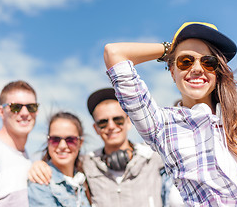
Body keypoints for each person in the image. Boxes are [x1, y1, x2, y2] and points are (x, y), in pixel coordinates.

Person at [103, 21, 237, 206]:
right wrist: (172, 48)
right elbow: (115, 53)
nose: (197, 68)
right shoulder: (161, 125)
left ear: (218, 71)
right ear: (172, 71)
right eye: (185, 61)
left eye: (208, 62)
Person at [29, 88, 182, 207]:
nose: (111, 126)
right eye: (103, 122)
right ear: (95, 128)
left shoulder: (154, 156)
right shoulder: (87, 163)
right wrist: (39, 165)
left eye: (118, 120)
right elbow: (62, 164)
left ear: (129, 121)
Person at [28, 111, 91, 206]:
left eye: (70, 140)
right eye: (55, 139)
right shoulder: (41, 183)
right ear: (48, 141)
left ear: (80, 143)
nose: (62, 145)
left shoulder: (83, 180)